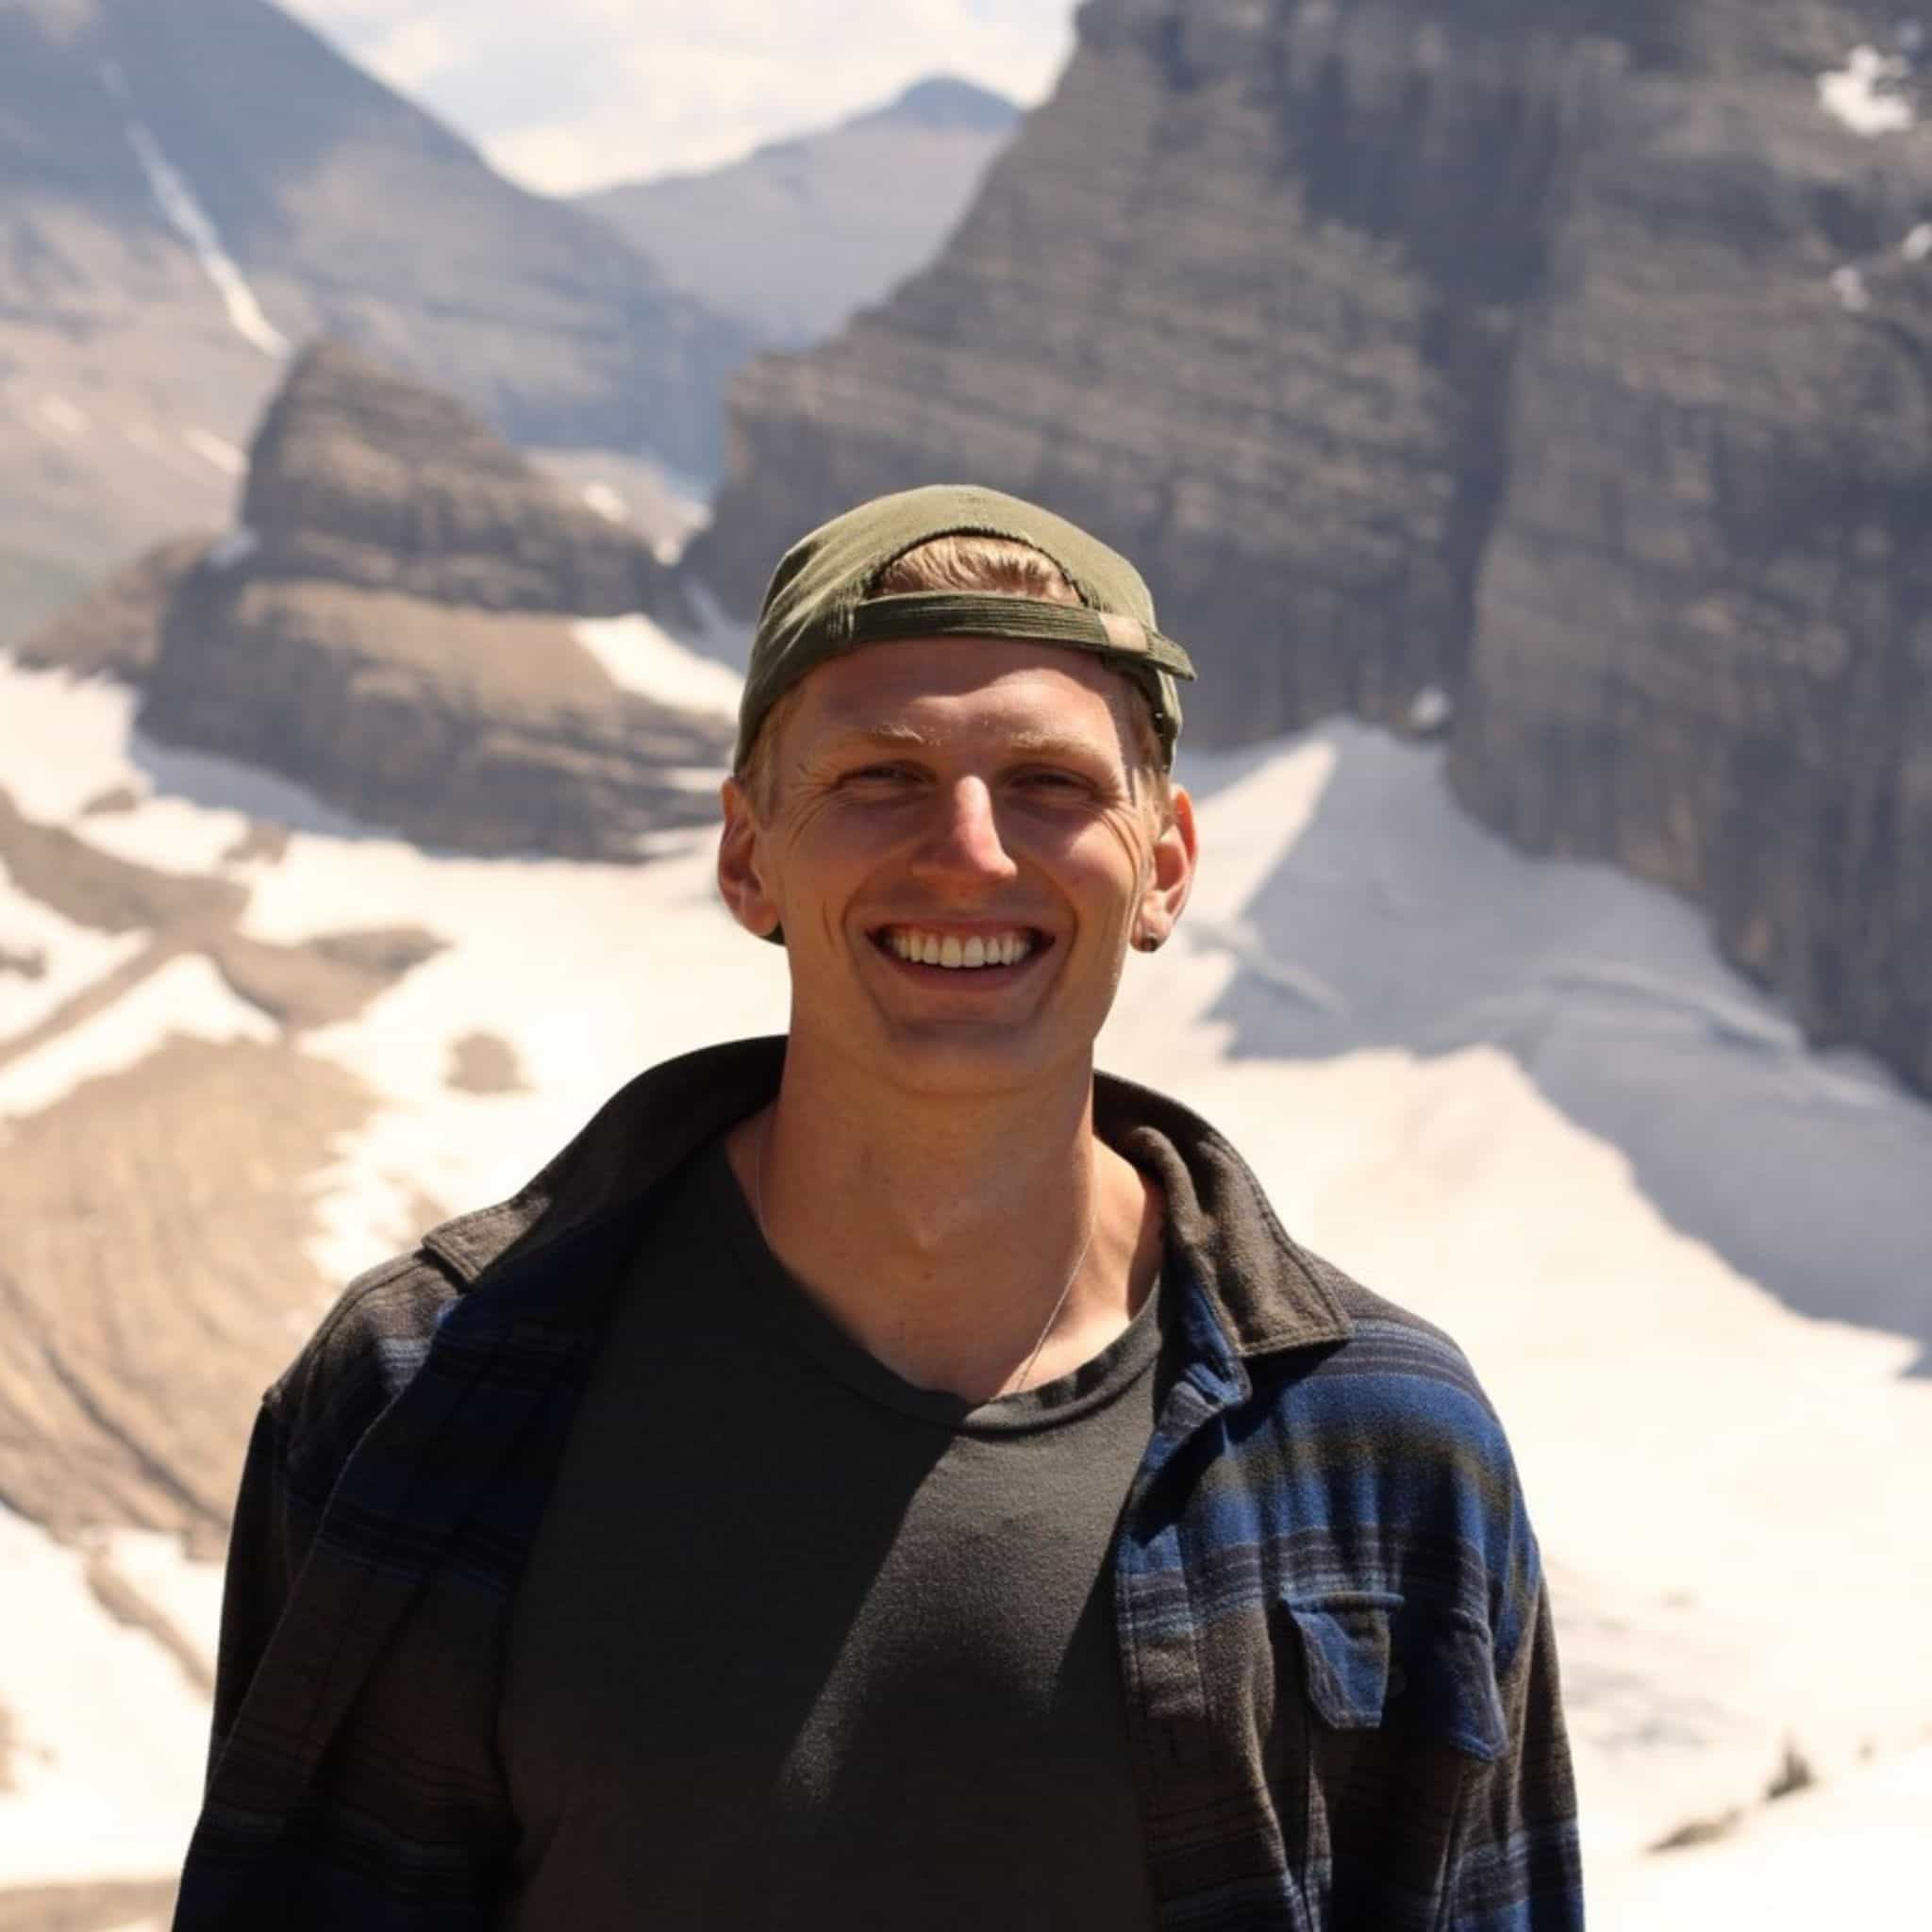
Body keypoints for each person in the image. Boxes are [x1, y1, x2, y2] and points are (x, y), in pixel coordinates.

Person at [175, 485, 1583, 1930]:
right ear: (747, 858)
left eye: (1051, 783)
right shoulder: (422, 1397)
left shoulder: (1390, 1453)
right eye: (878, 779)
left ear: (1162, 866)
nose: (969, 849)